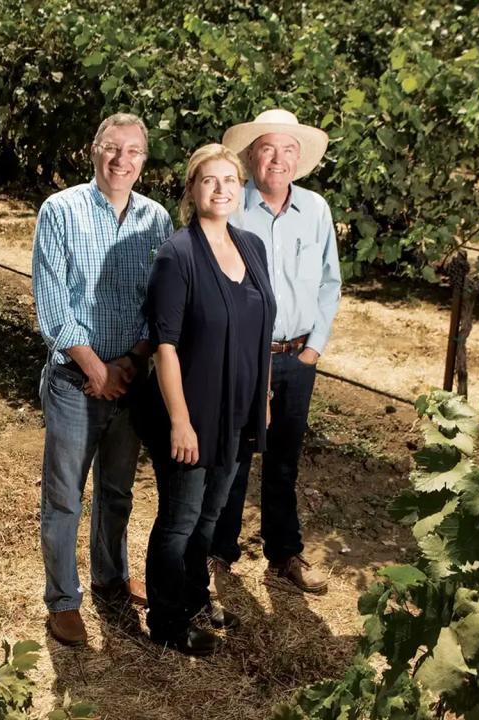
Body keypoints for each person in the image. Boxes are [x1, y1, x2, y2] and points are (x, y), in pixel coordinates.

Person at [32, 112, 174, 646]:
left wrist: (132, 364)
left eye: (133, 151)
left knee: (116, 493)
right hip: (75, 380)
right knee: (65, 496)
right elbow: (52, 303)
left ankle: (109, 579)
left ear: (144, 159)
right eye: (112, 148)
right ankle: (62, 600)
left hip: (130, 378)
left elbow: (157, 301)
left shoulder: (155, 220)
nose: (122, 160)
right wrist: (96, 368)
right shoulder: (61, 210)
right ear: (94, 150)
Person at [139, 143, 275, 655]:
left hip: (237, 412)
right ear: (192, 190)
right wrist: (180, 421)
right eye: (208, 180)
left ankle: (196, 600)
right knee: (179, 520)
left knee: (211, 519)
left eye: (229, 181)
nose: (221, 189)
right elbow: (165, 346)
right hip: (192, 414)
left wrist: (260, 396)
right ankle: (167, 623)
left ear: (241, 189)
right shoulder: (178, 254)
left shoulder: (252, 247)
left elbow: (260, 330)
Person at [211, 109, 342, 595]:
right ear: (251, 156)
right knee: (235, 455)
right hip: (245, 356)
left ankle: (284, 552)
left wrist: (314, 350)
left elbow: (331, 282)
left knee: (285, 457)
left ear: (299, 159)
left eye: (288, 150)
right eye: (268, 148)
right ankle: (219, 552)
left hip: (296, 356)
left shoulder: (316, 210)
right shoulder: (232, 207)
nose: (278, 159)